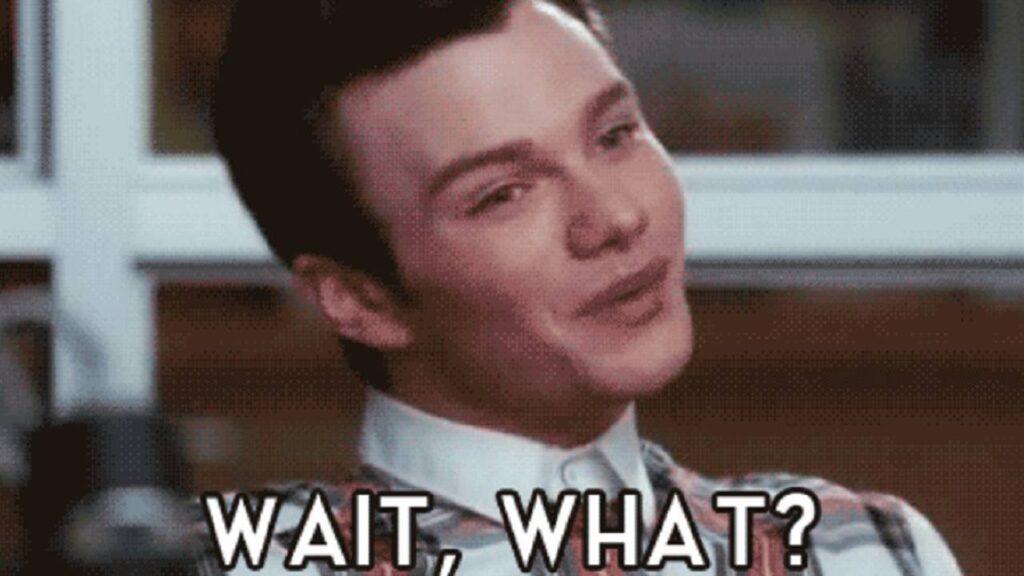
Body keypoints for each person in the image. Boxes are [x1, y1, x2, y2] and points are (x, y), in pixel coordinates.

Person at [194, 1, 963, 574]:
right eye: (503, 194)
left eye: (615, 134)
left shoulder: (862, 549)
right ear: (359, 298)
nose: (617, 218)